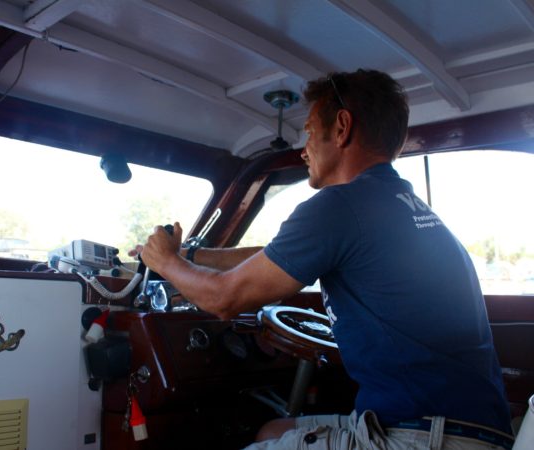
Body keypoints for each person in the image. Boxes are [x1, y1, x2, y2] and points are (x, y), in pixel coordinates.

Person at [134, 69, 513, 450]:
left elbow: (224, 300)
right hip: (475, 427)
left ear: (343, 126)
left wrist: (165, 262)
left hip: (422, 436)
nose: (304, 148)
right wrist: (192, 256)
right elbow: (276, 256)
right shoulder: (394, 205)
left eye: (312, 131)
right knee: (272, 432)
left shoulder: (340, 206)